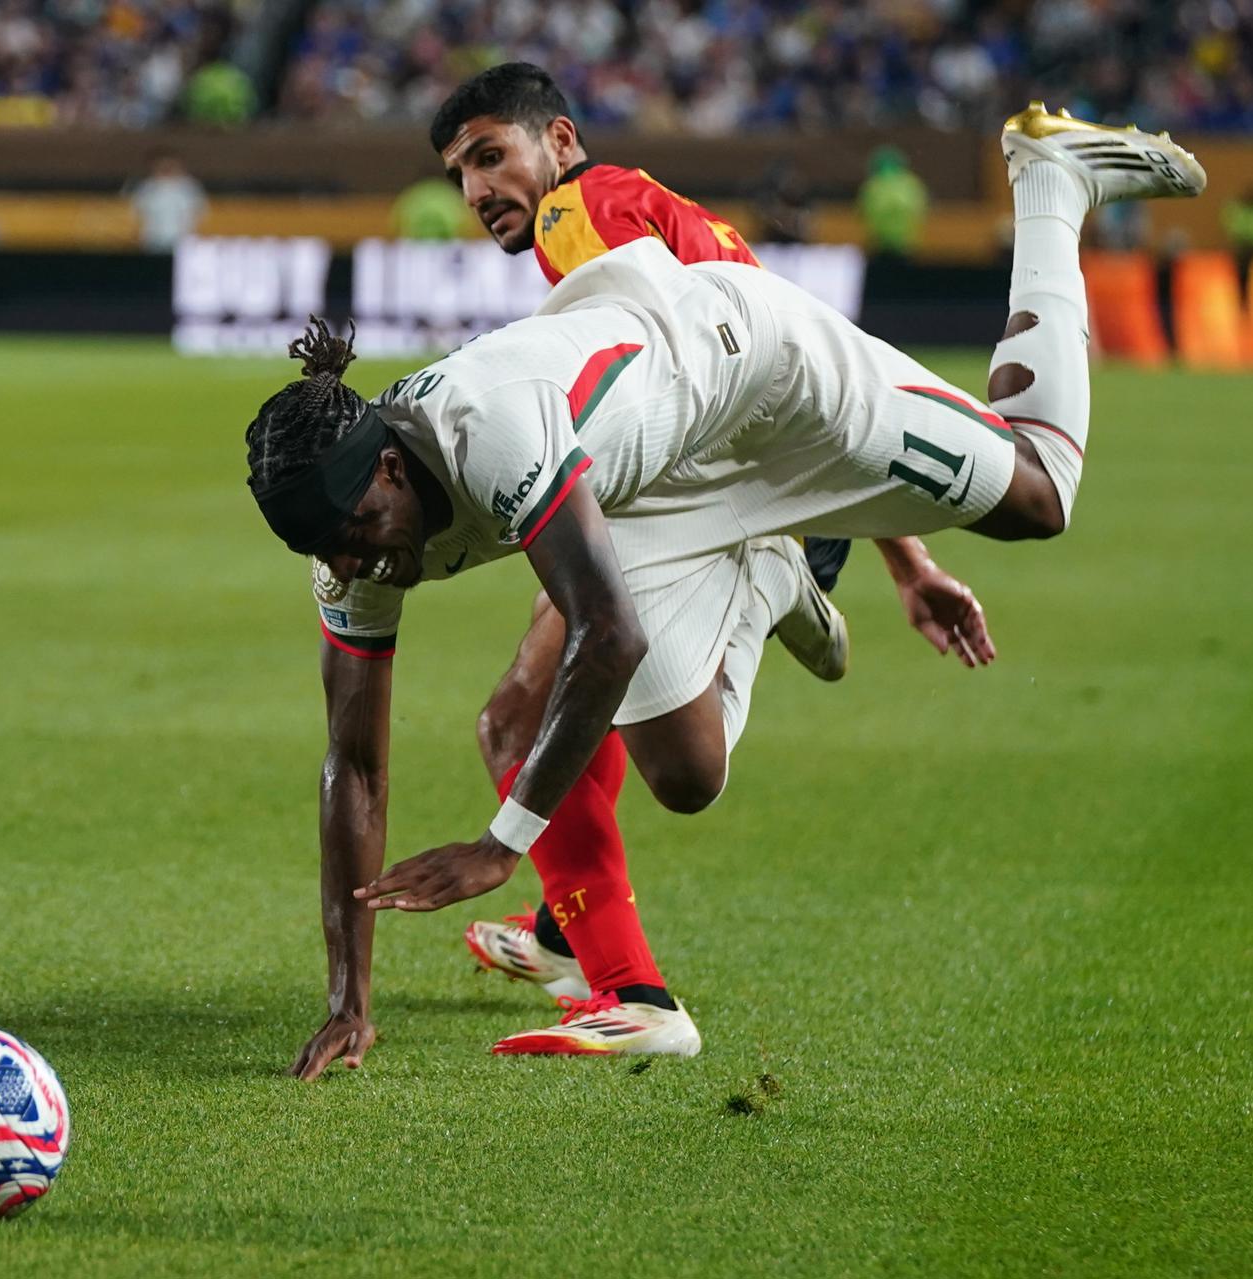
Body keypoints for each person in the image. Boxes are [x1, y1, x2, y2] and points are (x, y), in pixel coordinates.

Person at [247, 104, 1206, 1071]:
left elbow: (605, 632)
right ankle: (775, 569)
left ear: (393, 472)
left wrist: (502, 843)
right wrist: (348, 1001)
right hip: (654, 480)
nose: (358, 565)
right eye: (331, 553)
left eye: (363, 535)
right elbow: (354, 765)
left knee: (1038, 494)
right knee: (688, 775)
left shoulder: (491, 430)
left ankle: (1050, 184)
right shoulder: (350, 535)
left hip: (768, 377)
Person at [407, 62, 986, 1058]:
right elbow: (809, 365)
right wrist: (906, 556)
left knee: (613, 748)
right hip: (781, 480)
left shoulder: (577, 216)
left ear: (562, 142)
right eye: (462, 170)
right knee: (542, 718)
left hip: (721, 505)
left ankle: (630, 987)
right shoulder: (655, 212)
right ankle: (575, 940)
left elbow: (680, 377)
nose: (476, 191)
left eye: (492, 155)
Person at [129, 150, 208, 254]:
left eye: (171, 165)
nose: (167, 169)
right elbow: (136, 214)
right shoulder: (146, 188)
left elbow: (200, 213)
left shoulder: (190, 188)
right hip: (153, 242)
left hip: (183, 242)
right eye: (162, 166)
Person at [858, 146, 929, 258]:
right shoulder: (911, 183)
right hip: (907, 243)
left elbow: (862, 212)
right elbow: (922, 209)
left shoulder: (873, 185)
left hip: (879, 244)